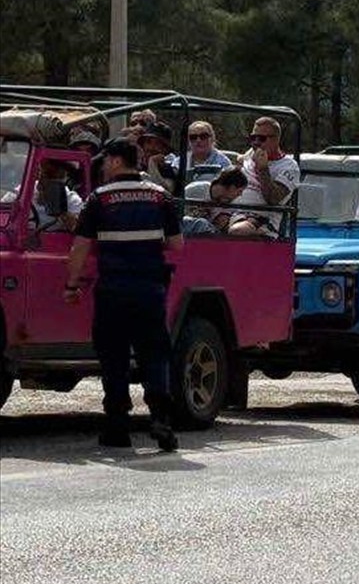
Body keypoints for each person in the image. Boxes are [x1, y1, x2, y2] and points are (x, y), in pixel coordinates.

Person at [63, 139, 181, 451]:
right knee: (154, 354)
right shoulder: (160, 197)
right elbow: (177, 244)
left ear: (116, 161)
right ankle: (161, 420)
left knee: (113, 357)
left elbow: (80, 247)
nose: (102, 166)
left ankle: (117, 428)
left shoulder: (98, 199)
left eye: (105, 160)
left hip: (113, 291)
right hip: (150, 291)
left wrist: (72, 285)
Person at [227, 116, 299, 237]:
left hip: (259, 218)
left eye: (261, 138)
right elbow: (239, 160)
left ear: (276, 139)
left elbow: (273, 199)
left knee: (239, 231)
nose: (256, 142)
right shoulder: (251, 152)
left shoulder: (289, 166)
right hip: (231, 210)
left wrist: (263, 169)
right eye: (253, 138)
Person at [184, 167, 249, 234]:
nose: (240, 195)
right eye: (239, 191)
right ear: (232, 187)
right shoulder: (194, 190)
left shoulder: (230, 203)